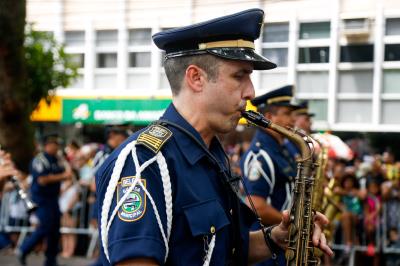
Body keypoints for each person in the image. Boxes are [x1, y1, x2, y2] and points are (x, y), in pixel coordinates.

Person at [96, 8, 333, 266]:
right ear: (196, 78)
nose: (251, 92)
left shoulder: (213, 154)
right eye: (239, 76)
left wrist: (277, 237)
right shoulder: (145, 161)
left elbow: (229, 251)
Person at [17, 134, 72, 266]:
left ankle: (51, 260)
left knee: (54, 229)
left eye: (57, 144)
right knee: (45, 226)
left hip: (53, 198)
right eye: (54, 144)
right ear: (47, 145)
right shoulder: (40, 160)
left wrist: (64, 165)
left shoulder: (57, 159)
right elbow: (42, 180)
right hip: (41, 199)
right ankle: (24, 249)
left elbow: (69, 173)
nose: (56, 147)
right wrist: (62, 176)